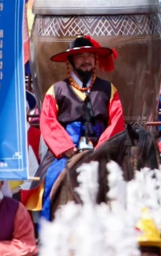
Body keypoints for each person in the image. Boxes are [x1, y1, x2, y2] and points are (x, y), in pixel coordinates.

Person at [37, 36, 126, 220]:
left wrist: (102, 148)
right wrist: (65, 147)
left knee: (123, 182)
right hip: (65, 149)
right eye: (80, 56)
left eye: (90, 56)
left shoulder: (109, 90)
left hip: (102, 147)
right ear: (70, 61)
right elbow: (48, 121)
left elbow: (116, 121)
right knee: (51, 177)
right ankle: (46, 227)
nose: (86, 60)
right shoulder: (57, 90)